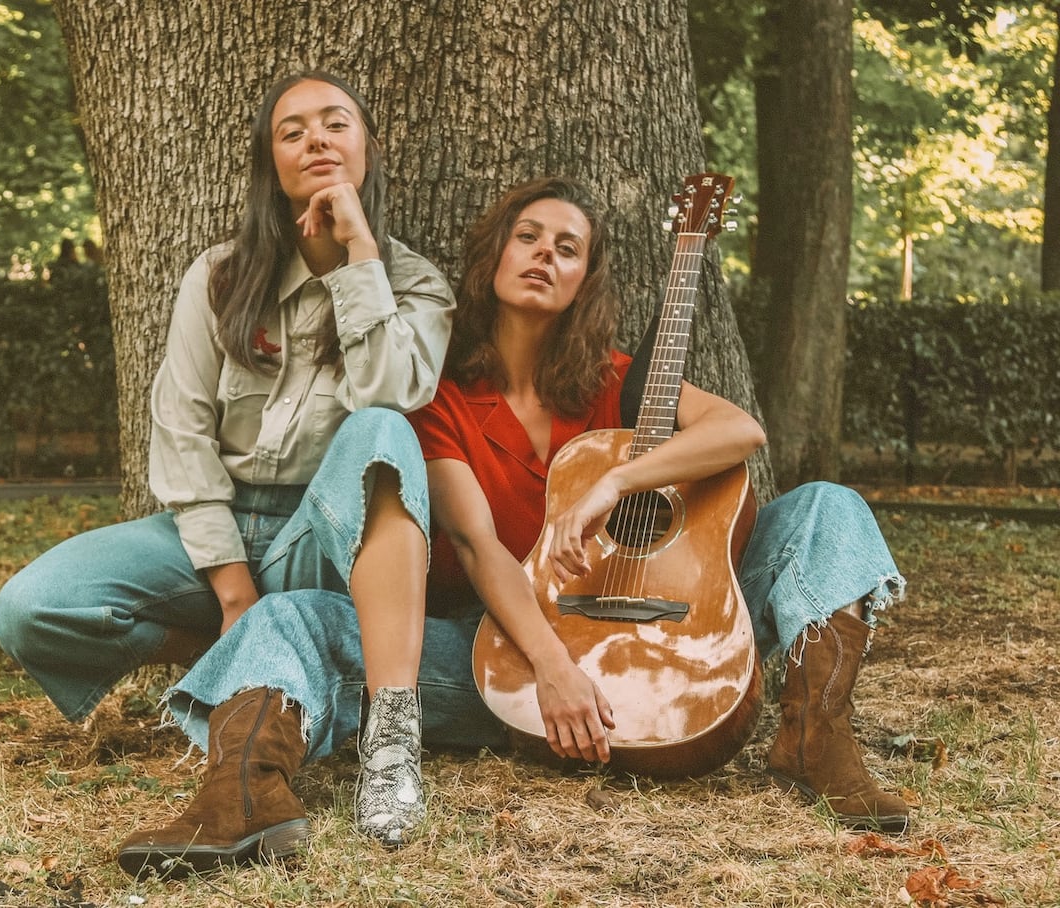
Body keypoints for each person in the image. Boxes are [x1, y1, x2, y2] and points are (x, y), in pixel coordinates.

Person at [123, 175, 908, 879]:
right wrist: (556, 670)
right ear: (493, 258)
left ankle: (815, 739)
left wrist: (615, 483)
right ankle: (240, 799)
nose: (543, 255)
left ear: (584, 282)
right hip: (500, 659)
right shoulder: (440, 399)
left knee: (827, 507)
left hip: (674, 650)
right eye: (527, 237)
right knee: (291, 617)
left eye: (567, 248)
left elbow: (741, 431)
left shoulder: (617, 381)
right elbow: (477, 545)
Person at [0, 70, 455, 859]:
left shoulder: (414, 286)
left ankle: (390, 737)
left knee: (380, 428)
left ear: (367, 149)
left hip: (326, 533)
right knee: (29, 608)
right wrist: (232, 586)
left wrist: (358, 257)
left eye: (336, 124)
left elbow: (390, 391)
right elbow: (181, 431)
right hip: (219, 525)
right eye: (293, 129)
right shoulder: (219, 277)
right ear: (269, 161)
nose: (316, 140)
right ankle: (231, 654)